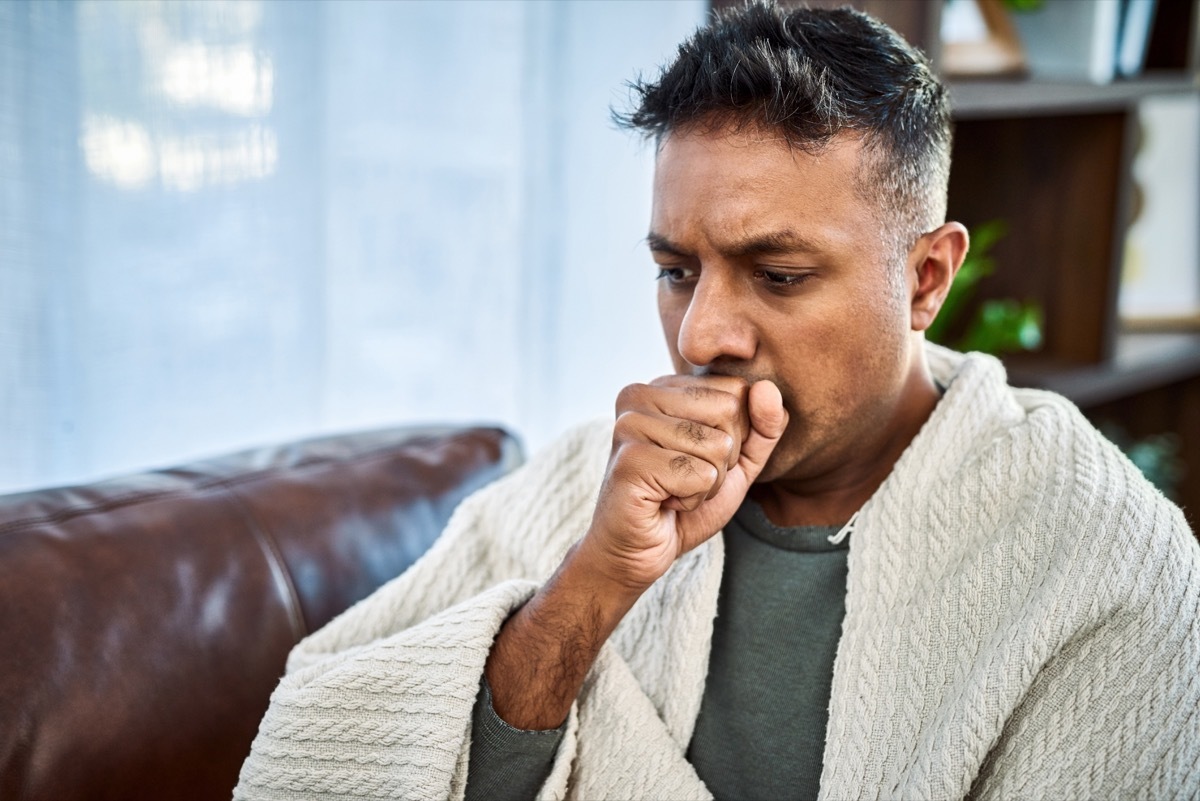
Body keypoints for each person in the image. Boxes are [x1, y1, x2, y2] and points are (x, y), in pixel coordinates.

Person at [234, 3, 1200, 800]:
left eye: (777, 275)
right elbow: (340, 750)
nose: (700, 336)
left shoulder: (1104, 563)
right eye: (674, 269)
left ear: (926, 278)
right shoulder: (593, 478)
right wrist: (591, 589)